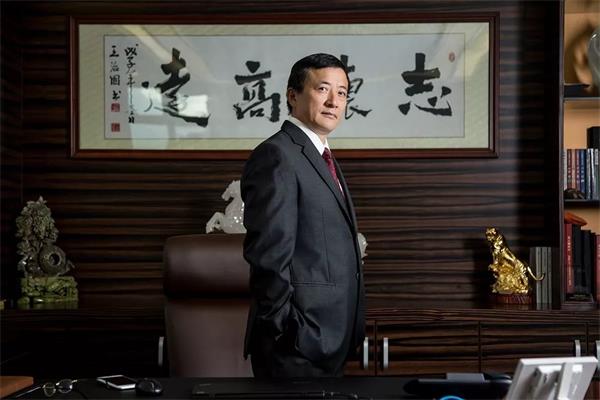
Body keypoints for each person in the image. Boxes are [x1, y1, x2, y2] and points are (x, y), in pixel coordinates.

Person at [241, 53, 365, 378]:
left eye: (342, 92)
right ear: (293, 95)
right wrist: (290, 331)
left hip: (330, 341)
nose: (334, 101)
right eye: (323, 89)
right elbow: (268, 256)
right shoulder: (277, 155)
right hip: (296, 346)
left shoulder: (320, 155)